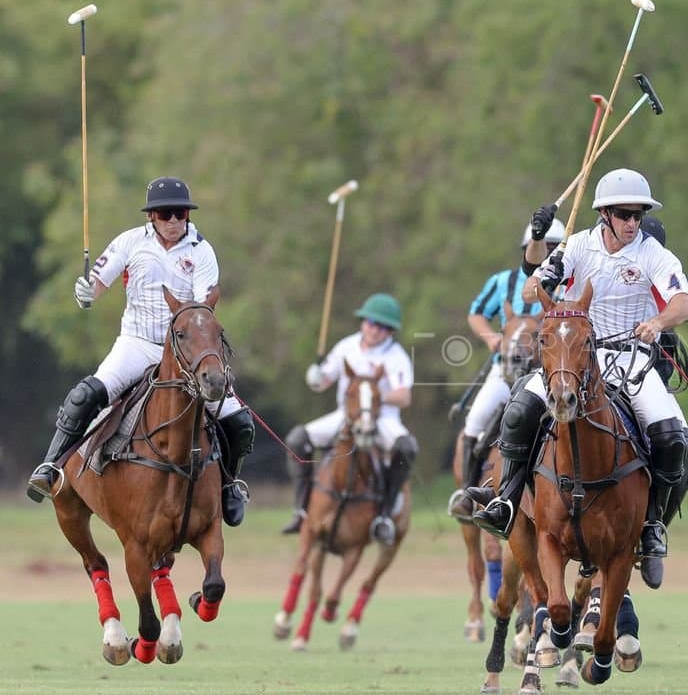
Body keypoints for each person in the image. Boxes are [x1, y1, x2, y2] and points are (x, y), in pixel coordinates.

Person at [469, 168, 688, 589]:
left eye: (639, 215)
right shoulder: (577, 246)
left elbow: (682, 303)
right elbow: (529, 291)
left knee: (671, 437)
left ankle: (652, 525)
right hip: (573, 357)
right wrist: (542, 255)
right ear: (605, 215)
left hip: (630, 360)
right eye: (625, 215)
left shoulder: (652, 253)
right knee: (518, 412)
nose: (633, 223)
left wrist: (658, 322)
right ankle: (506, 501)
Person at [26, 176, 254, 527]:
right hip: (136, 343)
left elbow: (202, 308)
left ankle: (229, 486)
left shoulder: (201, 250)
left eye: (181, 213)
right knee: (85, 395)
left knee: (239, 421)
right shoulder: (130, 242)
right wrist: (87, 293)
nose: (174, 220)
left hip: (184, 353)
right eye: (165, 213)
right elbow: (99, 281)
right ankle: (51, 465)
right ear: (151, 216)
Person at [446, 217, 566, 521]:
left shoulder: (567, 285)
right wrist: (491, 338)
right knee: (476, 421)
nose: (548, 253)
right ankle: (467, 494)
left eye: (555, 247)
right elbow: (476, 314)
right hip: (506, 371)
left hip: (549, 373)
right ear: (528, 249)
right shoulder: (503, 282)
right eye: (544, 246)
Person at [281, 293, 417, 546]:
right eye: (371, 322)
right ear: (363, 322)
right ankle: (301, 509)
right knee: (297, 439)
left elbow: (404, 396)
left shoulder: (396, 356)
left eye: (382, 326)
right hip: (344, 416)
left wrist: (373, 398)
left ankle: (385, 514)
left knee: (406, 447)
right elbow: (324, 381)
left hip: (382, 419)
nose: (374, 329)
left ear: (390, 331)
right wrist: (316, 377)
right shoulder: (347, 346)